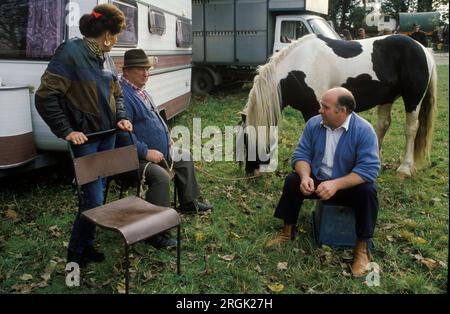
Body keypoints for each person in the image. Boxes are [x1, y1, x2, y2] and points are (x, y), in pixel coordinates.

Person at [35, 4, 133, 267]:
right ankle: (75, 255)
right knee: (92, 198)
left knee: (97, 192)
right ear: (108, 34)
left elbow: (118, 94)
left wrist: (121, 117)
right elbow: (45, 97)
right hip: (86, 140)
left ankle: (86, 245)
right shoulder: (70, 53)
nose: (116, 41)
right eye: (117, 35)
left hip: (108, 135)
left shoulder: (105, 55)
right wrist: (66, 131)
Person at [267, 87, 381, 277]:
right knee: (292, 181)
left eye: (325, 107)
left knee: (368, 192)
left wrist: (336, 184)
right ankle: (288, 231)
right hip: (317, 180)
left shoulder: (364, 131)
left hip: (346, 184)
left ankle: (361, 250)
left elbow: (368, 169)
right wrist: (305, 177)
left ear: (342, 111)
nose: (320, 110)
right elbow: (301, 155)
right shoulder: (314, 123)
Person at [116, 49, 213, 247]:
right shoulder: (123, 95)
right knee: (159, 177)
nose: (146, 74)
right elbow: (123, 136)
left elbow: (155, 117)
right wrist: (145, 152)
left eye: (148, 69)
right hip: (134, 158)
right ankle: (156, 233)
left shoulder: (139, 89)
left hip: (159, 152)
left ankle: (188, 203)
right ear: (126, 70)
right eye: (141, 69)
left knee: (184, 156)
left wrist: (167, 138)